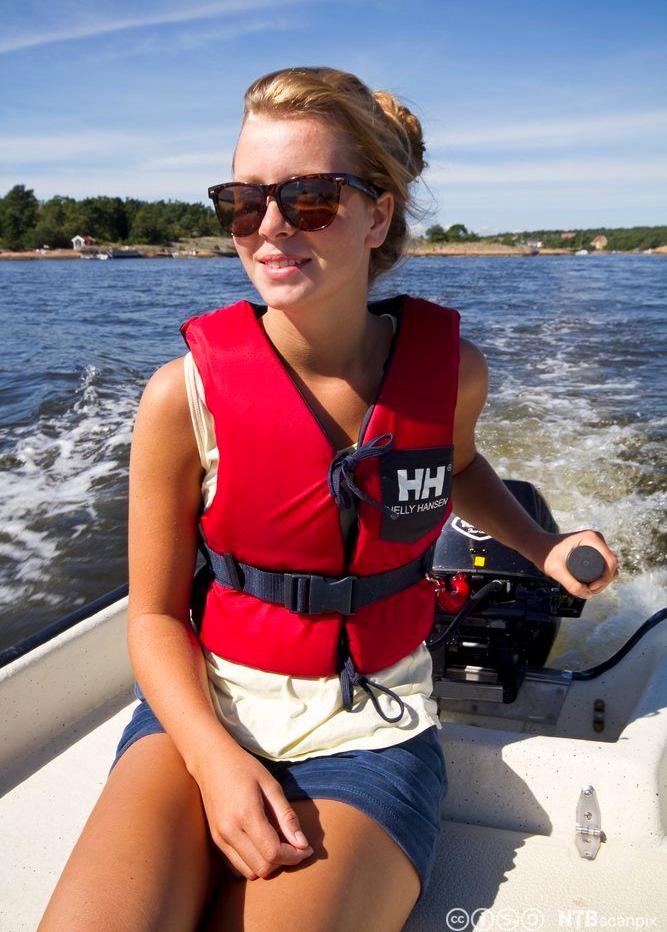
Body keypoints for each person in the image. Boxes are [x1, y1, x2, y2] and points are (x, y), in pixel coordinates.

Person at [39, 67, 618, 932]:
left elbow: (457, 464)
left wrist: (542, 547)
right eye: (244, 201)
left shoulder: (450, 374)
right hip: (203, 714)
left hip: (370, 731)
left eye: (309, 198)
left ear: (376, 215)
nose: (270, 226)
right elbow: (154, 617)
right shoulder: (181, 396)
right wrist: (214, 761)